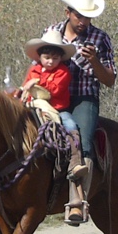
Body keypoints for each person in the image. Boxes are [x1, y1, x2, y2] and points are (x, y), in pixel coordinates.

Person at [44, 0, 117, 224]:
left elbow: (110, 80)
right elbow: (39, 61)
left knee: (82, 142)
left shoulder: (100, 38)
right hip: (52, 96)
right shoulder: (52, 32)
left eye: (88, 17)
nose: (83, 21)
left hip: (84, 97)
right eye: (79, 16)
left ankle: (77, 201)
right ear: (68, 12)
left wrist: (94, 60)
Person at [18, 30, 88, 223]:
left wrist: (35, 82)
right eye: (47, 57)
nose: (50, 61)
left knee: (70, 124)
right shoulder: (34, 70)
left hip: (57, 109)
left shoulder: (63, 72)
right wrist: (27, 86)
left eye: (55, 58)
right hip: (33, 106)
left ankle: (75, 161)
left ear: (60, 59)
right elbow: (26, 87)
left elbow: (53, 90)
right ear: (40, 57)